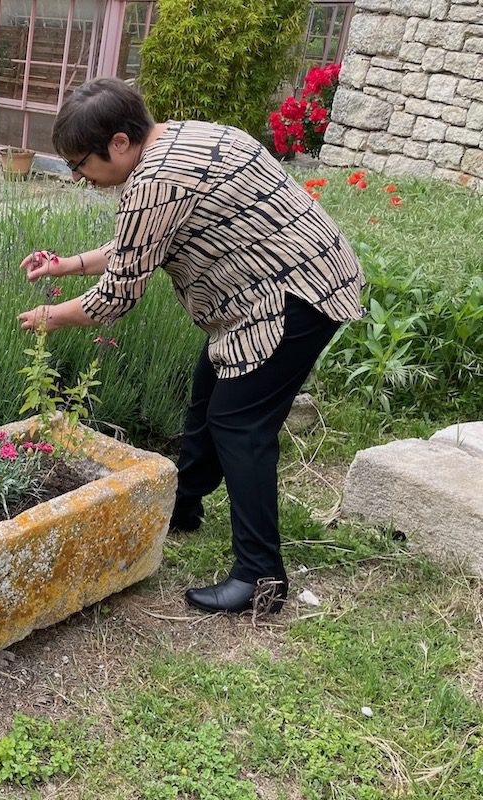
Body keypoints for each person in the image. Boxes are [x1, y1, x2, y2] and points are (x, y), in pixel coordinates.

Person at [18, 78, 364, 614]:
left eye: (79, 163)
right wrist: (68, 265)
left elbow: (115, 298)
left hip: (292, 295)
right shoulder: (182, 137)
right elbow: (142, 240)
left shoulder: (153, 181)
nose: (79, 177)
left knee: (240, 425)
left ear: (117, 143)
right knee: (209, 390)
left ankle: (259, 577)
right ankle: (183, 504)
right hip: (297, 278)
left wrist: (49, 317)